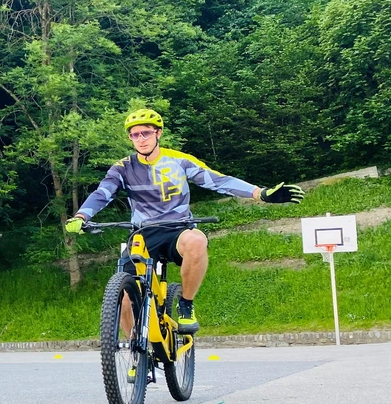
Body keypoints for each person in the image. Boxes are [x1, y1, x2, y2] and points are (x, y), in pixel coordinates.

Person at [65, 108, 303, 335]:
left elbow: (218, 180)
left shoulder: (179, 160)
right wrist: (82, 216)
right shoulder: (122, 167)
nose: (141, 139)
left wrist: (259, 193)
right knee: (124, 297)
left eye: (146, 133)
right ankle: (136, 349)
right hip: (142, 234)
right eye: (135, 135)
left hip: (177, 230)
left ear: (158, 133)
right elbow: (102, 193)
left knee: (196, 240)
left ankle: (186, 304)